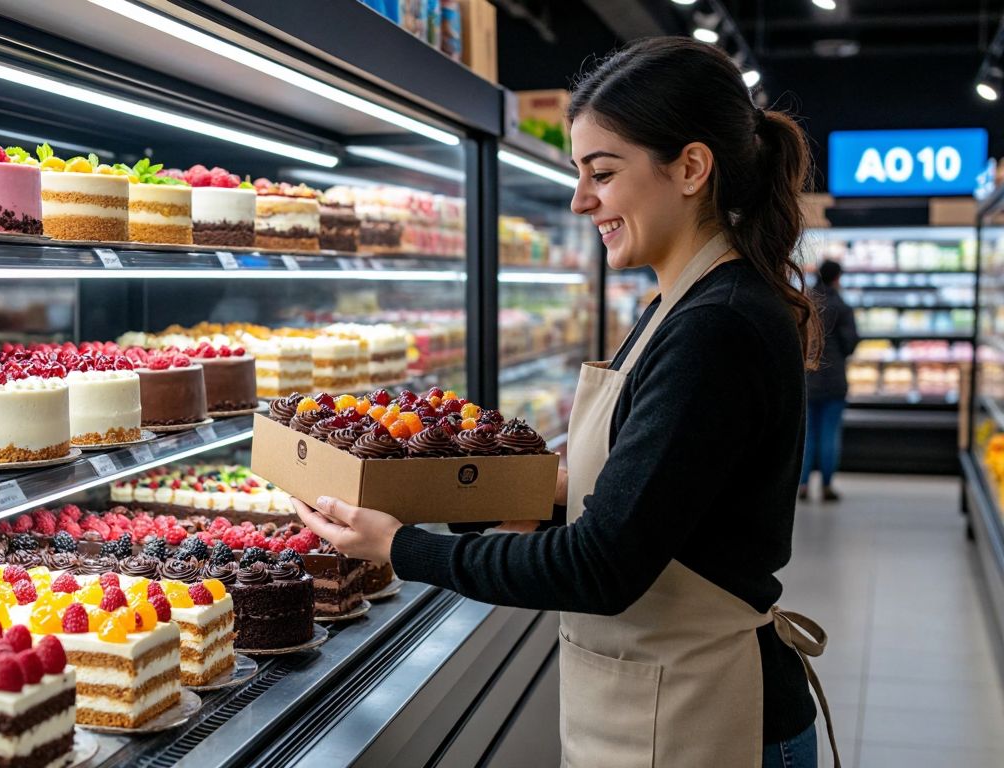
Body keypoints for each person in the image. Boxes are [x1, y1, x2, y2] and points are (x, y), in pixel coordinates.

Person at [293, 37, 841, 768]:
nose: (581, 201)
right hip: (663, 698)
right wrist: (419, 486)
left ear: (691, 168)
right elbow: (647, 504)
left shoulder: (717, 325)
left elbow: (600, 566)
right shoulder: (679, 307)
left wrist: (400, 547)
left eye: (602, 174)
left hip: (713, 720)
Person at [801, 259, 859, 502]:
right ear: (837, 278)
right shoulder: (842, 307)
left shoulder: (805, 303)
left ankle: (802, 485)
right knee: (829, 434)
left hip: (806, 380)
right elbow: (850, 343)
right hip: (834, 382)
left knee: (806, 435)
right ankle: (826, 485)